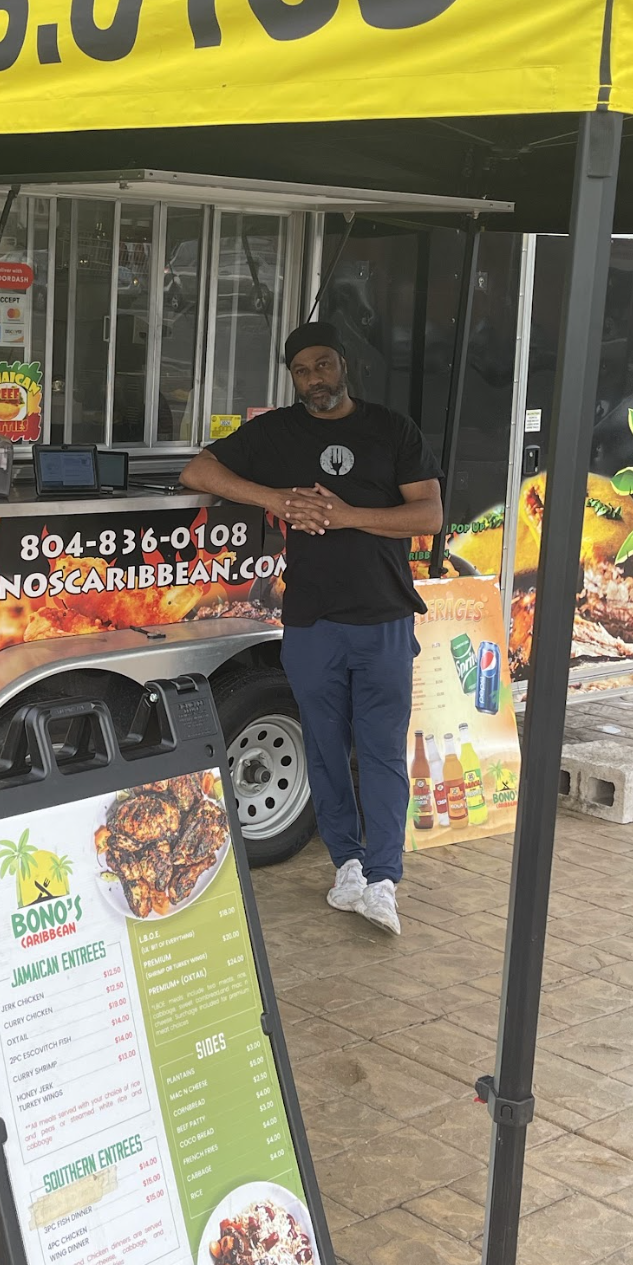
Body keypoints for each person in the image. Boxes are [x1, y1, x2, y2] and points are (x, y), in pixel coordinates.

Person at [180, 324, 442, 935]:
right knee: (322, 747)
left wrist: (346, 515)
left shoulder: (392, 430)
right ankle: (346, 865)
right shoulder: (278, 432)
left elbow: (428, 515)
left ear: (344, 364)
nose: (314, 379)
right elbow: (199, 472)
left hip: (382, 617)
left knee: (381, 750)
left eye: (323, 365)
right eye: (302, 371)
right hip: (311, 621)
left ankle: (384, 878)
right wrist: (274, 498)